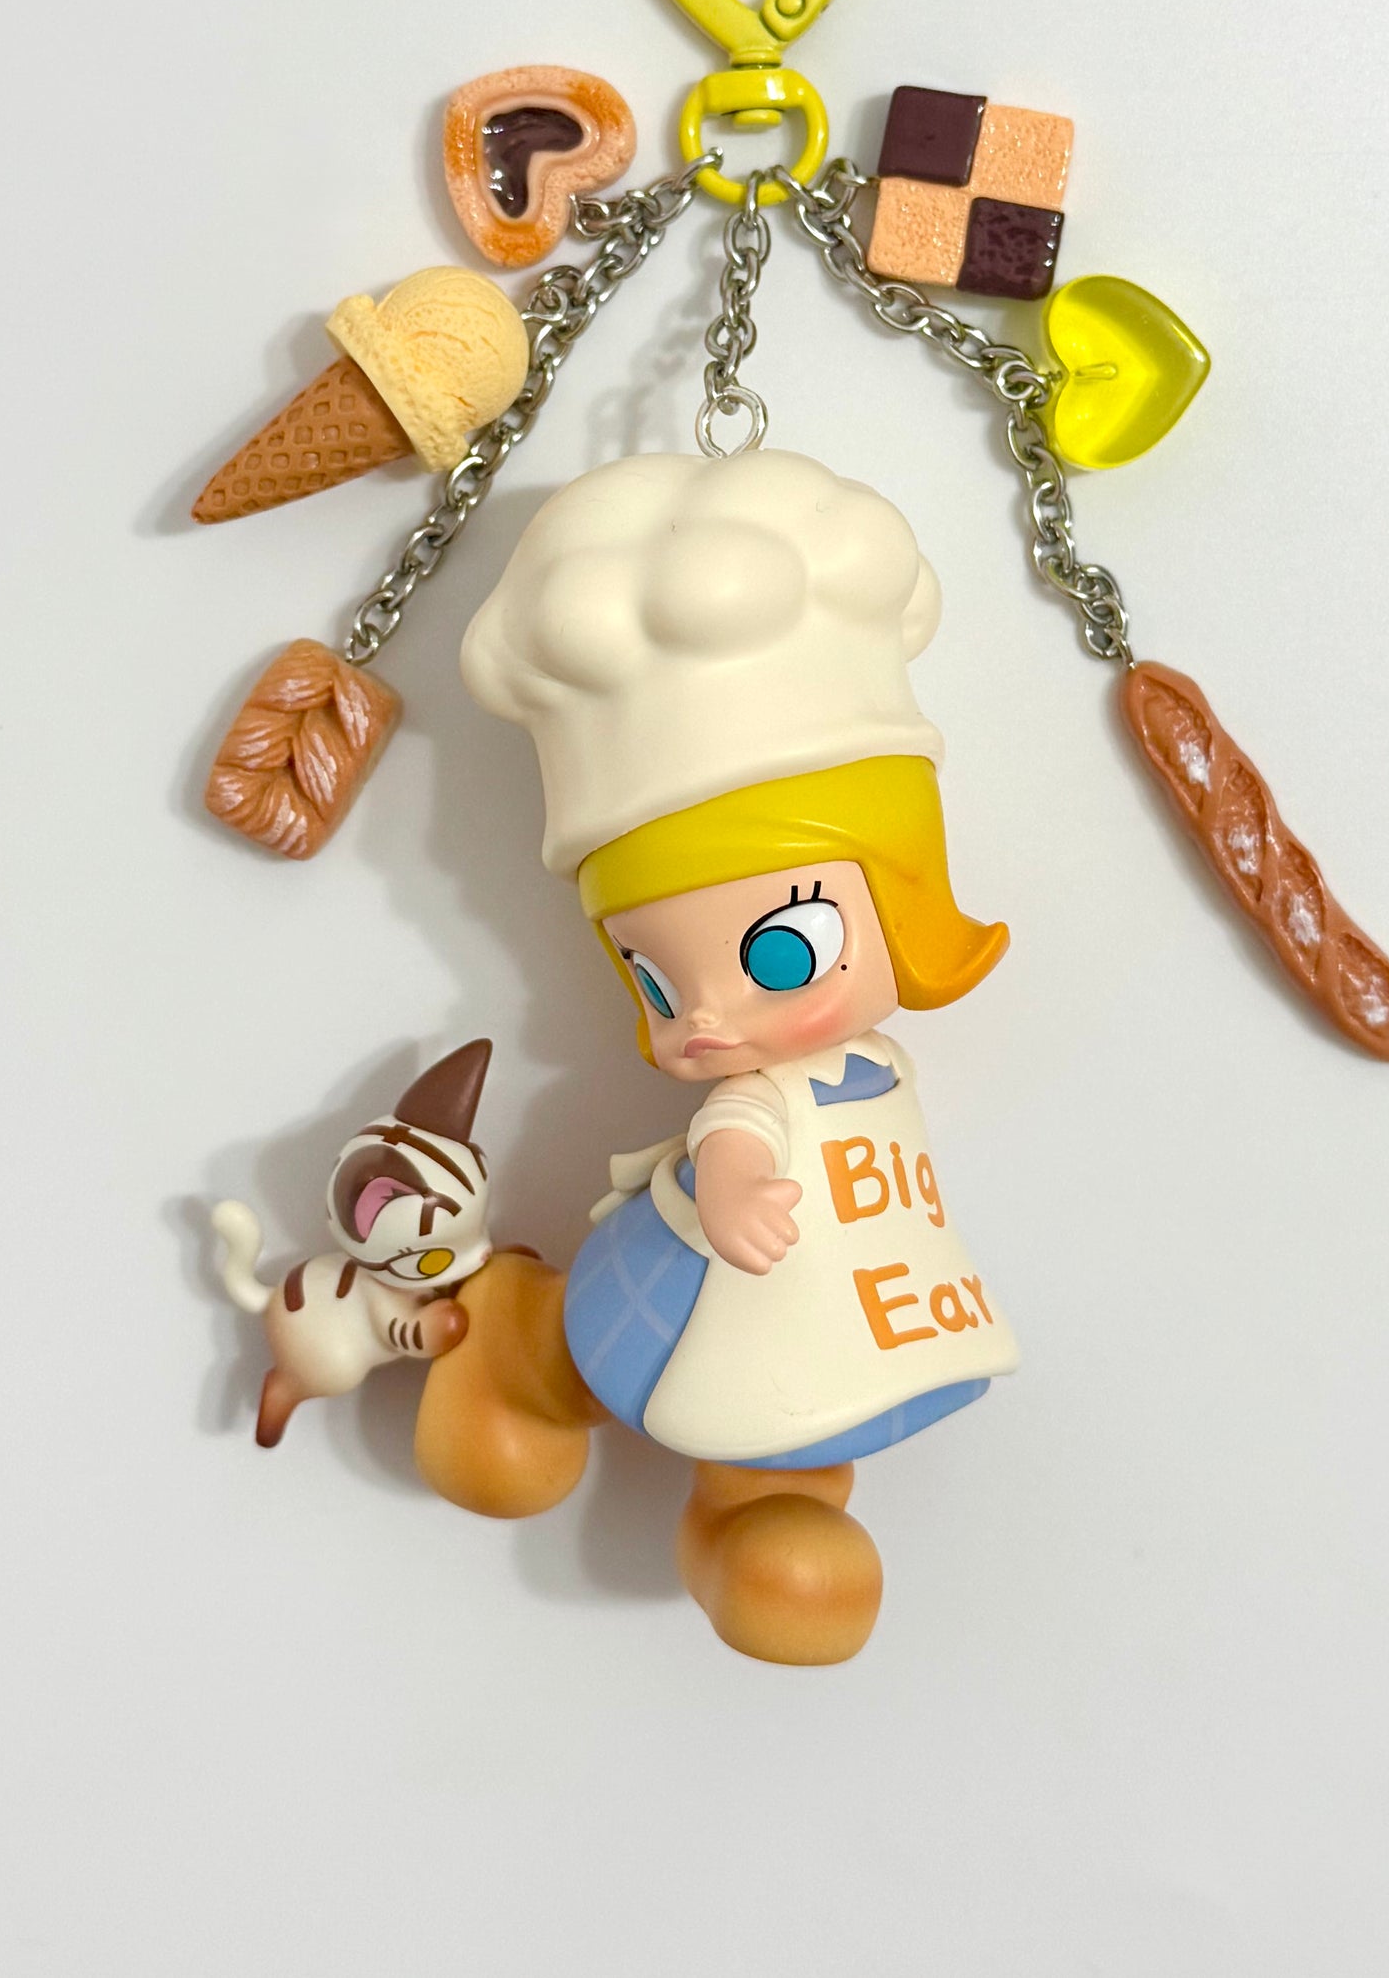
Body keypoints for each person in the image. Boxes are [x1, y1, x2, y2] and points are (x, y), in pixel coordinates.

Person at [414, 448, 1017, 1665]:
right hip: (688, 1271)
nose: (704, 1018)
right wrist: (734, 1185)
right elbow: (737, 1135)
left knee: (787, 1415)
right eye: (653, 979)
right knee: (612, 1362)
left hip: (835, 1304)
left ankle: (756, 1518)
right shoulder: (751, 1095)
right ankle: (511, 1349)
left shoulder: (874, 1068)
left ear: (903, 904)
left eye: (781, 953)